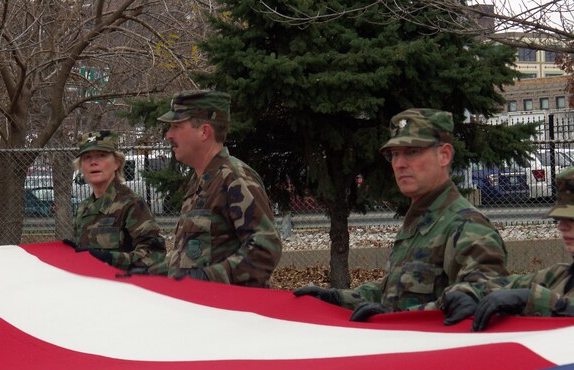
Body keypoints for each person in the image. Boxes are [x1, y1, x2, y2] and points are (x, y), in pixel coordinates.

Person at [294, 108, 508, 324]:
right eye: (394, 154)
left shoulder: (468, 226)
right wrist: (337, 298)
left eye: (412, 151)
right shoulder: (420, 221)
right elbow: (394, 292)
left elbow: (479, 298)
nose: (399, 163)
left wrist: (398, 317)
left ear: (444, 155)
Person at [151, 89, 282, 287]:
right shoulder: (201, 181)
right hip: (201, 310)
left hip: (229, 313)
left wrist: (210, 278)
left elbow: (265, 248)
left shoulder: (234, 178)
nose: (168, 135)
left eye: (176, 126)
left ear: (204, 131)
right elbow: (191, 258)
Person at [471, 166, 574, 330]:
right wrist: (468, 292)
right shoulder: (559, 276)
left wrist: (531, 299)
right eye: (559, 219)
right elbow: (502, 285)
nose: (561, 227)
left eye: (571, 220)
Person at [71, 130, 166, 271]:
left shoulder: (131, 203)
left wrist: (110, 259)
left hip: (124, 287)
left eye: (101, 156)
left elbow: (154, 254)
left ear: (116, 163)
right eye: (87, 157)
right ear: (81, 167)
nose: (93, 162)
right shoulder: (83, 208)